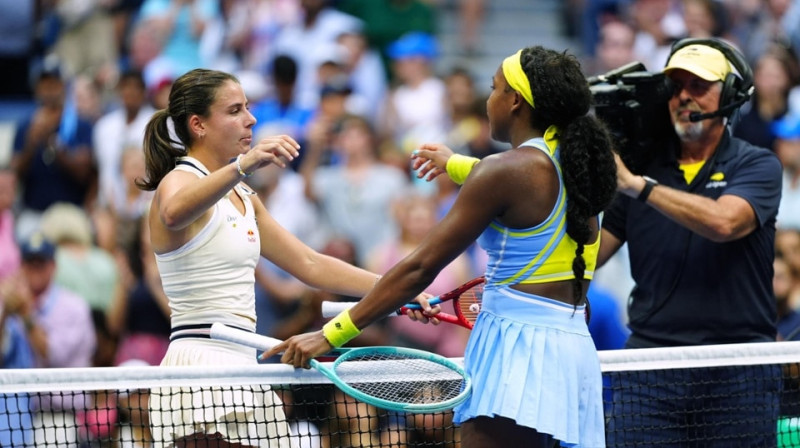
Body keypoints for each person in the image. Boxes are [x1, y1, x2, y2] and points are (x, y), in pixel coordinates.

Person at [266, 46, 618, 448]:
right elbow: (504, 178)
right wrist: (454, 163)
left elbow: (419, 268)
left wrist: (332, 334)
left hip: (517, 350)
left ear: (515, 101)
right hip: (570, 344)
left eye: (494, 89)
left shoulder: (506, 172)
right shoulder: (574, 164)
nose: (488, 101)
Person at [138, 68, 406, 447]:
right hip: (200, 361)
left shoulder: (245, 197)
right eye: (234, 110)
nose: (250, 118)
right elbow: (173, 212)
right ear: (198, 125)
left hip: (243, 361)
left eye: (247, 107)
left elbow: (312, 264)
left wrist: (399, 289)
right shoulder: (179, 180)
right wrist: (243, 165)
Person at [598, 37, 784, 446]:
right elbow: (587, 259)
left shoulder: (756, 163)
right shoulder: (640, 169)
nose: (684, 96)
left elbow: (725, 222)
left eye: (698, 86)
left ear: (732, 95)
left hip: (737, 366)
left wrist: (637, 186)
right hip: (650, 365)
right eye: (676, 87)